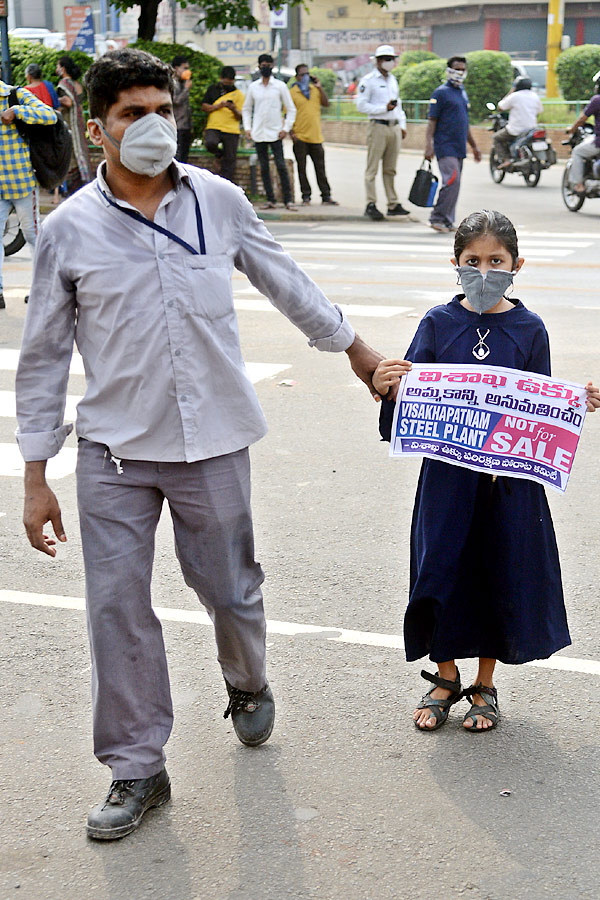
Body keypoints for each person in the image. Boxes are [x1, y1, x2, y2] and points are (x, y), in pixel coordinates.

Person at [15, 47, 383, 840]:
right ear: (97, 129)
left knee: (231, 589)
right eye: (131, 115)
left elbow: (284, 277)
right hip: (114, 452)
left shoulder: (217, 200)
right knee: (116, 608)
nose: (152, 126)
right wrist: (35, 474)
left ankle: (246, 681)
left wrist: (356, 351)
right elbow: (43, 356)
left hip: (213, 441)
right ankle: (135, 767)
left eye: (161, 110)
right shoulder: (68, 231)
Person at [374, 209, 599, 733]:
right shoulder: (437, 322)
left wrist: (573, 402)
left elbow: (538, 402)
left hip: (508, 485)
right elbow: (408, 399)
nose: (484, 269)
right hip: (447, 482)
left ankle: (483, 684)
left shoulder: (529, 328)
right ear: (454, 262)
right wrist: (390, 385)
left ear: (516, 264)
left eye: (495, 261)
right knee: (441, 571)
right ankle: (445, 675)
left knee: (497, 571)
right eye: (472, 261)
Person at [0, 79, 56, 310]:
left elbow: (50, 115)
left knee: (34, 235)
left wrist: (17, 112)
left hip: (21, 181)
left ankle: (44, 290)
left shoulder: (14, 95)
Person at [425, 56, 481, 234]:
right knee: (451, 181)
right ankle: (437, 217)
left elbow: (464, 123)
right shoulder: (440, 93)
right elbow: (431, 121)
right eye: (457, 69)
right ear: (449, 70)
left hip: (459, 147)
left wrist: (474, 146)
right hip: (445, 145)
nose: (460, 72)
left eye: (463, 69)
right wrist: (428, 145)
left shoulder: (462, 92)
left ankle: (448, 220)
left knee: (455, 184)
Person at [356, 45, 409, 221]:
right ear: (378, 61)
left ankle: (392, 203)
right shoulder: (368, 80)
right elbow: (361, 105)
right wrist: (382, 108)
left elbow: (398, 104)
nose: (389, 62)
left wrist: (402, 124)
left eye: (391, 59)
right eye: (386, 59)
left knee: (390, 168)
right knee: (372, 168)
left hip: (393, 126)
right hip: (377, 125)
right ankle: (370, 203)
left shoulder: (393, 80)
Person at [242, 53, 296, 210]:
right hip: (259, 133)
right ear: (258, 67)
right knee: (263, 168)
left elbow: (291, 109)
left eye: (268, 65)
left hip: (275, 133)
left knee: (281, 166)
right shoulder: (253, 87)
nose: (265, 67)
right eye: (262, 65)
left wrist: (286, 128)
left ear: (272, 66)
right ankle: (270, 199)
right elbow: (246, 109)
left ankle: (288, 200)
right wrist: (247, 128)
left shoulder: (280, 86)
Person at [289, 63, 337, 206]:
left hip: (316, 137)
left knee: (320, 168)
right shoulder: (292, 93)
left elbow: (326, 103)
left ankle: (326, 196)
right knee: (302, 169)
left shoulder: (314, 90)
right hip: (300, 136)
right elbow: (287, 114)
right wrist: (291, 132)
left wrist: (319, 86)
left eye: (307, 74)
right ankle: (306, 196)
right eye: (302, 74)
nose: (305, 77)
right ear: (297, 77)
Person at [201, 65, 244, 183]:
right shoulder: (212, 89)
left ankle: (227, 185)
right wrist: (217, 106)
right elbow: (204, 107)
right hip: (214, 126)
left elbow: (240, 116)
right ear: (221, 78)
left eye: (230, 81)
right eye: (226, 81)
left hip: (231, 129)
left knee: (230, 161)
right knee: (210, 142)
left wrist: (234, 108)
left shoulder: (238, 94)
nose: (228, 83)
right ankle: (219, 155)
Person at [56, 56, 92, 195]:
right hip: (79, 121)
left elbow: (68, 102)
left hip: (70, 123)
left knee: (71, 153)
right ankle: (86, 180)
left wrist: (54, 99)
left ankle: (73, 189)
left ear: (63, 69)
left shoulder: (64, 83)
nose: (56, 69)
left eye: (58, 66)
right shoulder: (77, 84)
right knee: (81, 149)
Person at [494, 76, 543, 167]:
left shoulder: (514, 96)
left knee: (496, 138)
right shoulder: (535, 96)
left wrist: (511, 91)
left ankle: (506, 159)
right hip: (531, 129)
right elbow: (539, 111)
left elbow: (500, 107)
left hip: (516, 129)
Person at [566, 69, 600, 194]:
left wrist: (571, 129)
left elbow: (581, 119)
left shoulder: (597, 100)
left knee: (578, 152)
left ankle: (579, 184)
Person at [171, 55, 193, 163]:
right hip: (177, 125)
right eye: (184, 68)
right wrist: (186, 89)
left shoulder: (183, 83)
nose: (187, 71)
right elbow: (175, 101)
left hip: (185, 125)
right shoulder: (172, 83)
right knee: (177, 158)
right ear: (176, 68)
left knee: (184, 157)